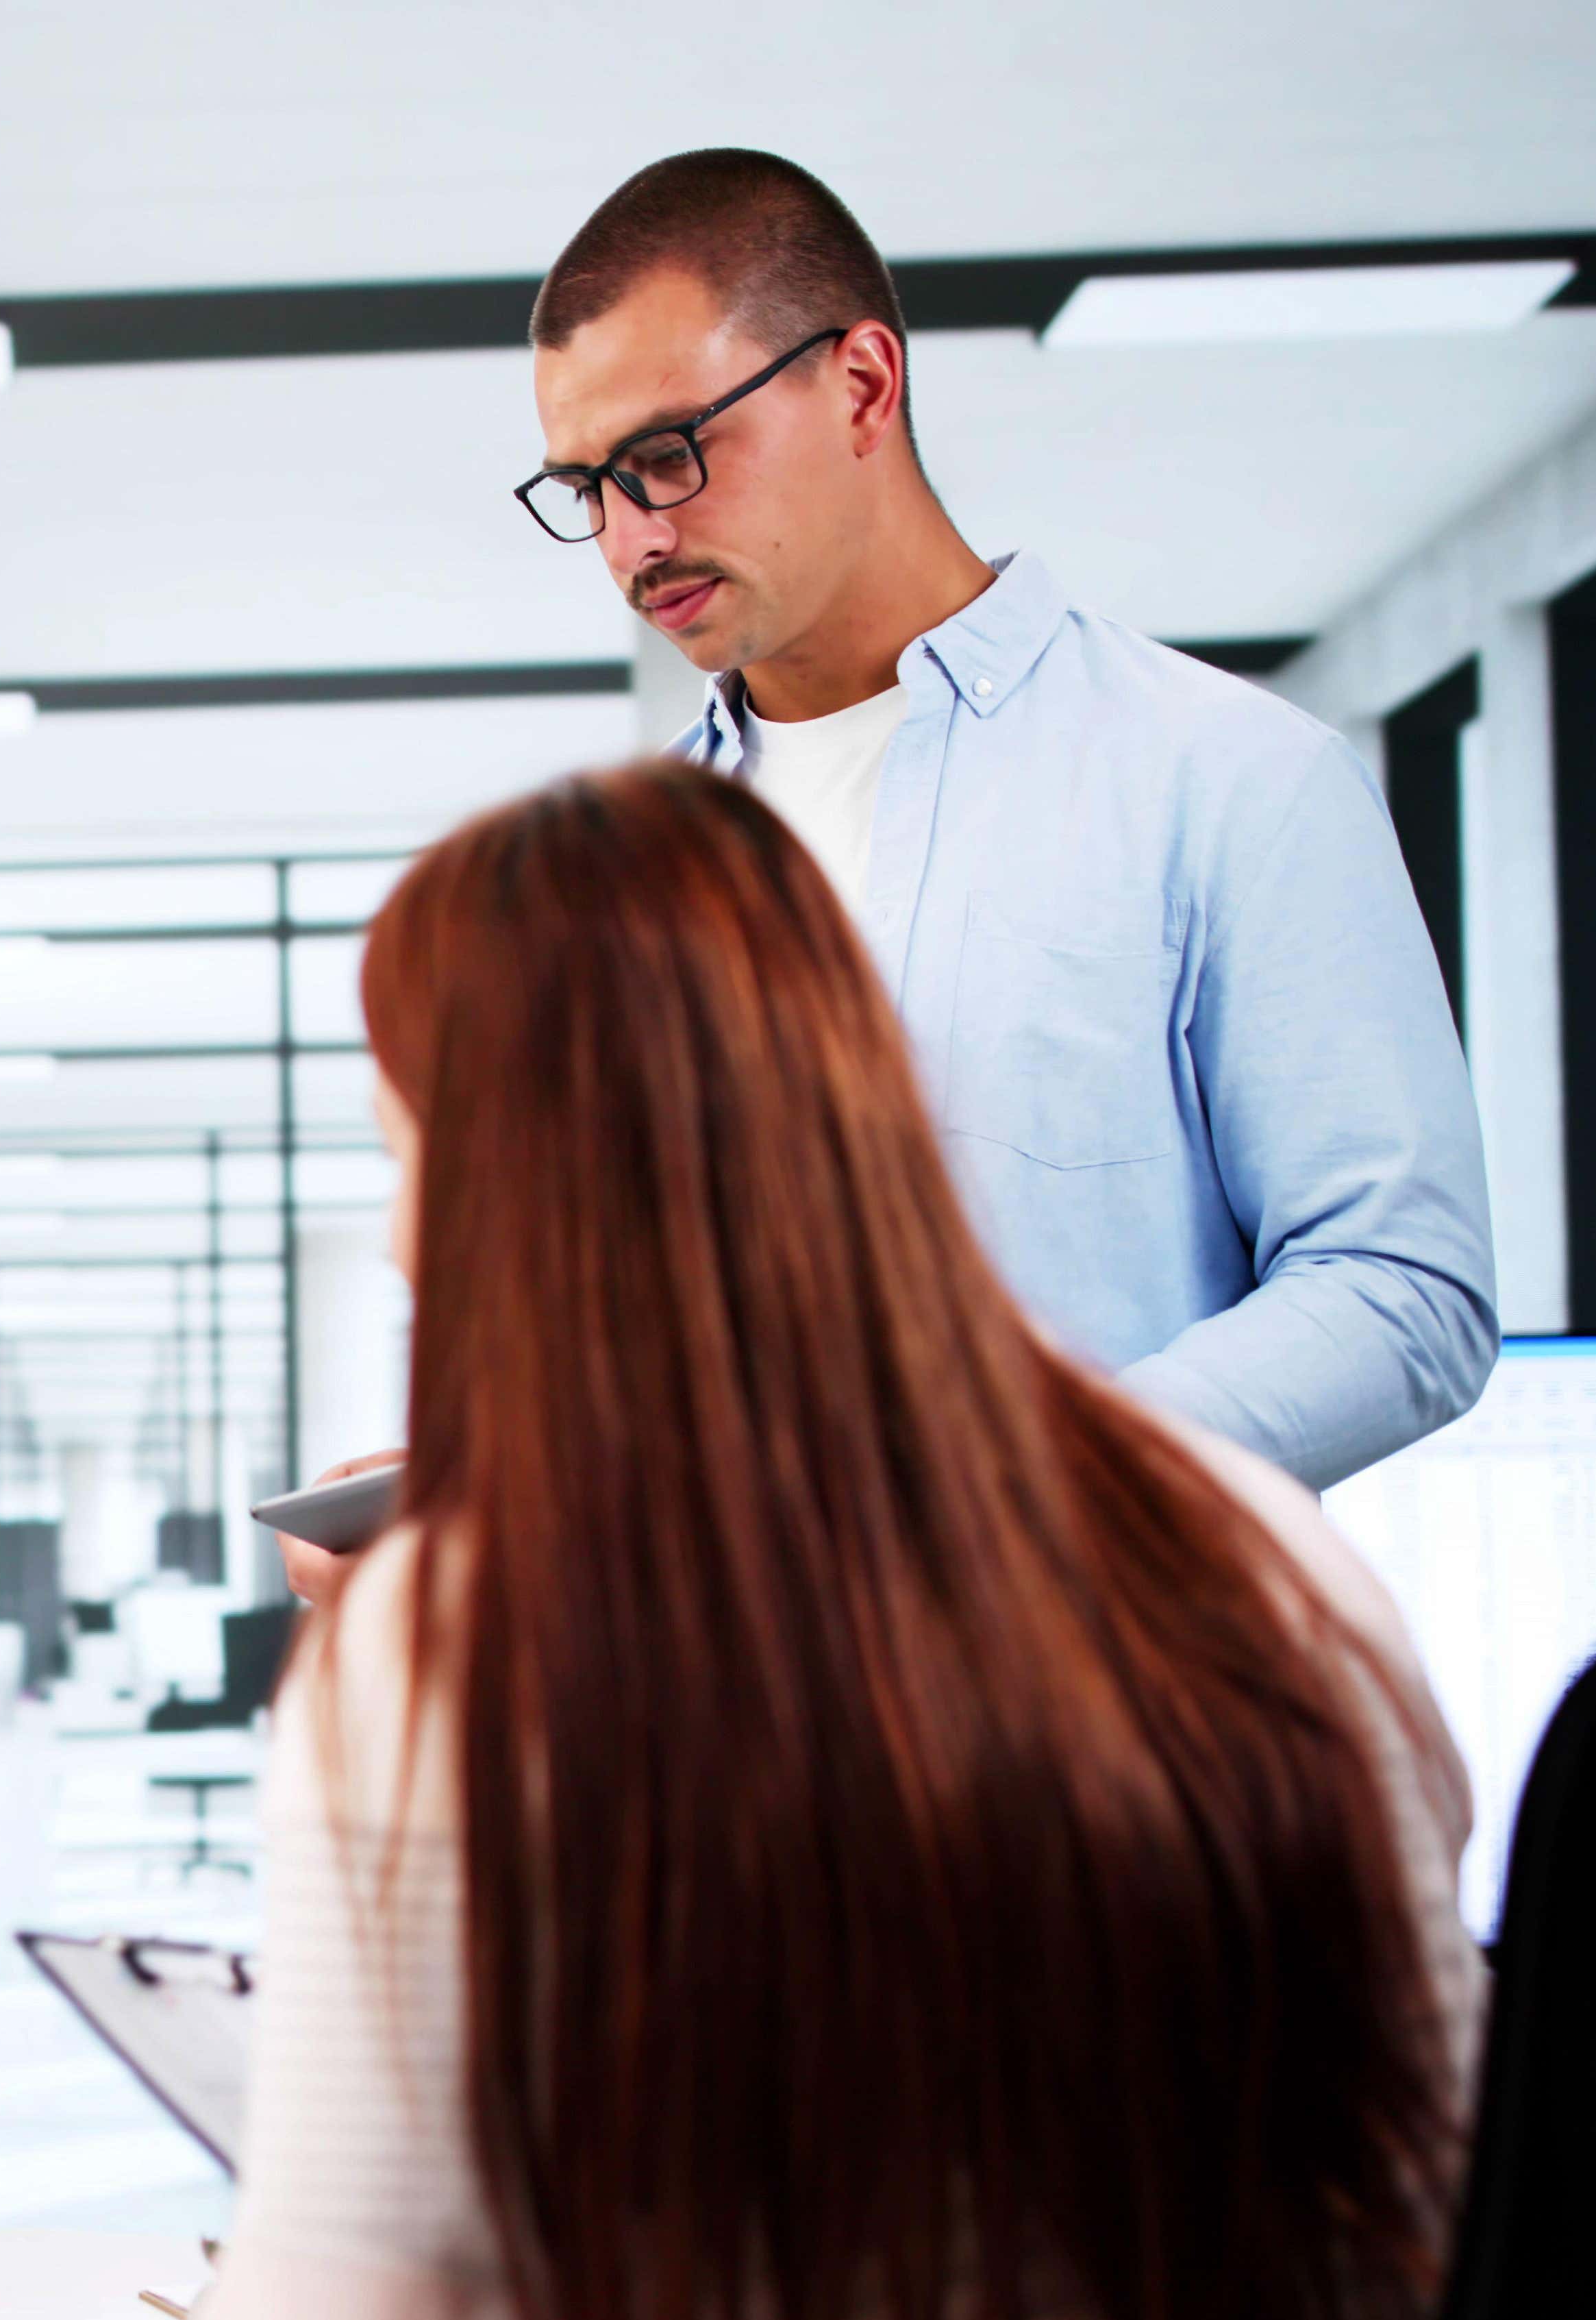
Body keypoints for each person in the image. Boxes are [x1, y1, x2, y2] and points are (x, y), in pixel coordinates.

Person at [197, 765, 1480, 2320]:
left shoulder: (462, 1640)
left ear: (516, 1180)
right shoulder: (1255, 1551)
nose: (403, 1228)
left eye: (412, 1144)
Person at [532, 149, 1492, 1492]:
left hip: (1098, 1679)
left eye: (664, 456)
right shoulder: (625, 878)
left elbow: (1403, 1294)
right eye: (585, 490)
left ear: (861, 385)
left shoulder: (1225, 776)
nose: (631, 540)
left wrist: (1026, 1486)